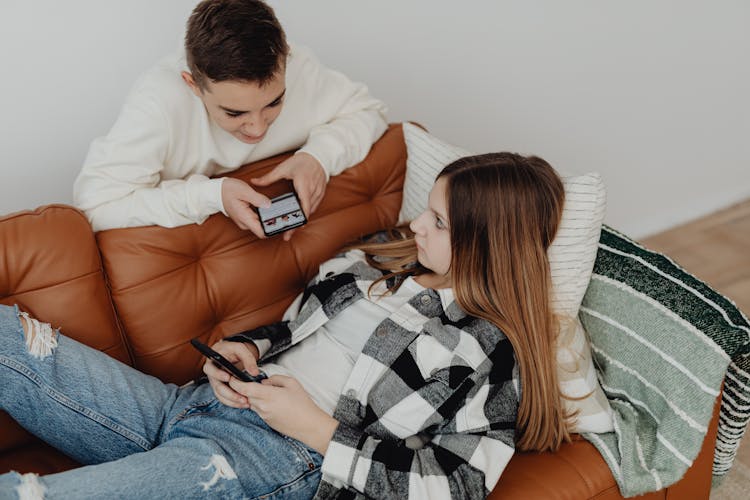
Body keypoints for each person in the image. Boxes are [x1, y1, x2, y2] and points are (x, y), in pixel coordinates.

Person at [0, 153, 570, 499]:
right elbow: (298, 330)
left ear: (486, 244)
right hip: (196, 404)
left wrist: (319, 430)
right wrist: (243, 350)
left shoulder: (489, 350)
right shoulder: (384, 258)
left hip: (281, 458)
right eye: (427, 207)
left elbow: (457, 485)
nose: (416, 223)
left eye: (438, 221)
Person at [73, 0, 387, 239]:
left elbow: (369, 112)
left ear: (286, 57)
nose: (259, 128)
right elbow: (96, 207)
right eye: (235, 113)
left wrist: (318, 157)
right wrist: (212, 195)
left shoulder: (300, 66)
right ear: (193, 85)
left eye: (274, 102)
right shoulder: (158, 101)